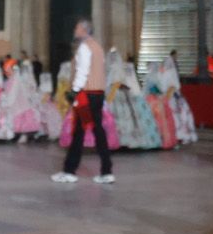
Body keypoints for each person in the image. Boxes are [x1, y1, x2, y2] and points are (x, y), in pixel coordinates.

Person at [52, 18, 114, 184]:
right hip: (98, 93)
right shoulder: (98, 47)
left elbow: (83, 71)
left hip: (86, 95)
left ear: (84, 30)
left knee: (79, 131)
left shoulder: (85, 47)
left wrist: (74, 91)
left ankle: (69, 171)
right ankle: (107, 171)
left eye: (77, 28)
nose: (75, 30)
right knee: (97, 130)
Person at [106, 48, 161, 150]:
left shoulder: (115, 69)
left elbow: (117, 83)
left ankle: (123, 141)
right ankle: (124, 141)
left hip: (116, 94)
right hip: (122, 93)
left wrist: (110, 97)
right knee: (127, 117)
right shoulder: (118, 68)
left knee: (122, 117)